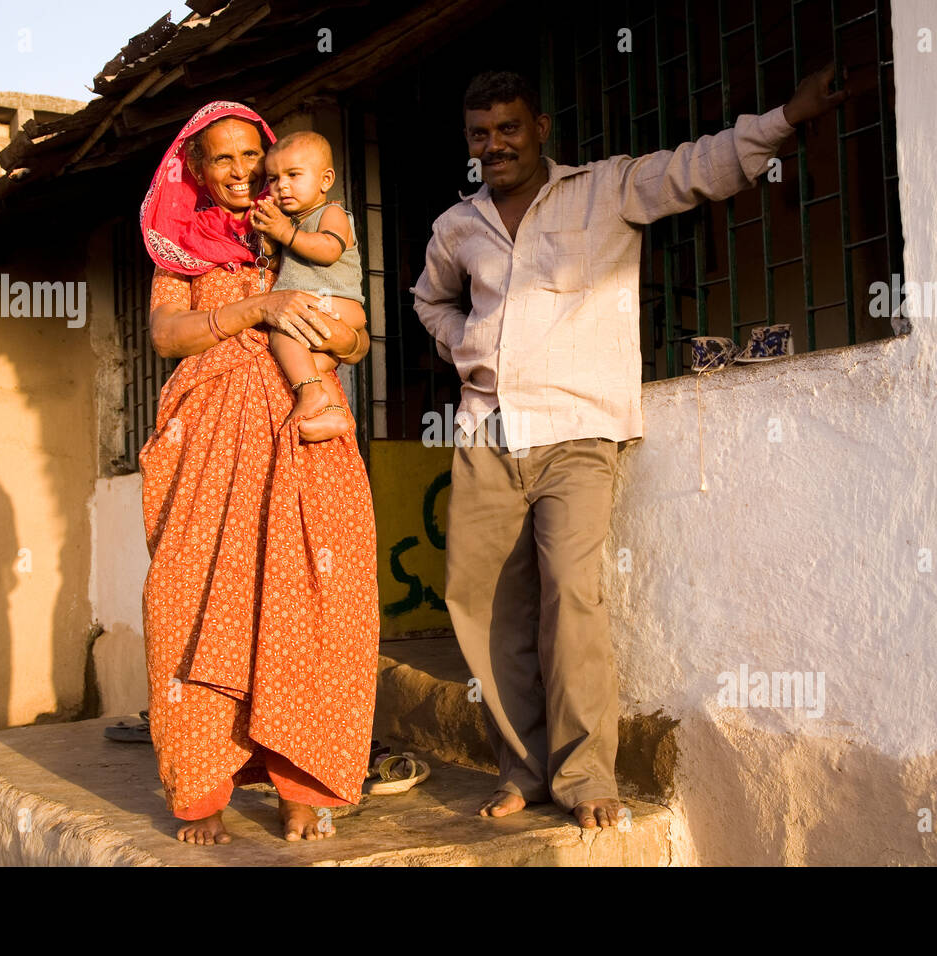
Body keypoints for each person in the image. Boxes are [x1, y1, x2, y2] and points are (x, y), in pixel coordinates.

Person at [411, 68, 846, 829]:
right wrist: (465, 343)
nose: (495, 145)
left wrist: (787, 116)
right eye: (481, 134)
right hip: (487, 431)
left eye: (509, 128)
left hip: (579, 431)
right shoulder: (458, 226)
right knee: (485, 611)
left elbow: (698, 167)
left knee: (571, 598)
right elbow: (428, 300)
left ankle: (584, 776)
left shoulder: (606, 189)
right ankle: (524, 771)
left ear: (540, 127)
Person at [139, 101, 378, 845]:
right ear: (199, 172)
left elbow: (359, 335)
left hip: (304, 438)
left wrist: (331, 331)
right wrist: (259, 309)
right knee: (190, 599)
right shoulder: (180, 248)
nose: (244, 172)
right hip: (207, 446)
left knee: (312, 599)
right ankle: (203, 790)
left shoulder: (307, 228)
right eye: (225, 159)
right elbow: (166, 336)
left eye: (254, 155)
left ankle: (300, 786)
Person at [249, 130, 365, 443]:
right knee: (309, 364)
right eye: (273, 179)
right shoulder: (293, 221)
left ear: (325, 180)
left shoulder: (332, 213)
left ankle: (311, 394)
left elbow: (328, 250)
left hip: (333, 302)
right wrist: (268, 237)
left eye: (293, 175)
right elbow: (273, 262)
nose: (282, 186)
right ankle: (334, 412)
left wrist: (285, 233)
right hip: (324, 308)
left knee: (282, 335)